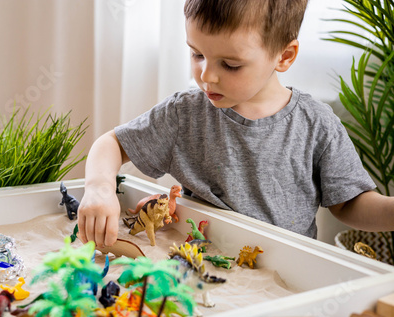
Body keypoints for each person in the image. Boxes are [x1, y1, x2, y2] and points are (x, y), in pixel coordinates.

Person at [78, 0, 394, 247]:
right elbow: (112, 144)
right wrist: (98, 188)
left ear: (284, 56)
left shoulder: (317, 123)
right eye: (197, 54)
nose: (206, 75)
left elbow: (349, 203)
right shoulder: (184, 113)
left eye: (230, 64)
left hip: (284, 273)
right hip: (197, 261)